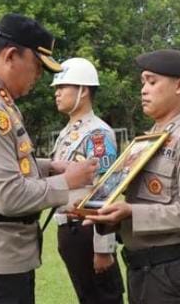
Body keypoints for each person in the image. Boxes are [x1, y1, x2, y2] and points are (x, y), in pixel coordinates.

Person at [0, 13, 98, 304]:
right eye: (37, 67)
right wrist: (68, 181)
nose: (38, 78)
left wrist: (48, 167)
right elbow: (8, 196)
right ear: (11, 55)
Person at [84, 49, 180, 304]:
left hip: (172, 274)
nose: (144, 89)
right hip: (141, 270)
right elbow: (140, 201)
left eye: (152, 82)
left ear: (179, 85)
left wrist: (131, 213)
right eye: (143, 82)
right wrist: (108, 218)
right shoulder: (146, 141)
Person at [48, 57, 124, 303]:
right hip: (68, 229)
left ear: (83, 90)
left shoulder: (98, 133)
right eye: (56, 89)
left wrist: (104, 248)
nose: (57, 93)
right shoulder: (67, 133)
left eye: (63, 87)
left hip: (88, 231)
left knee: (104, 298)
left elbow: (105, 190)